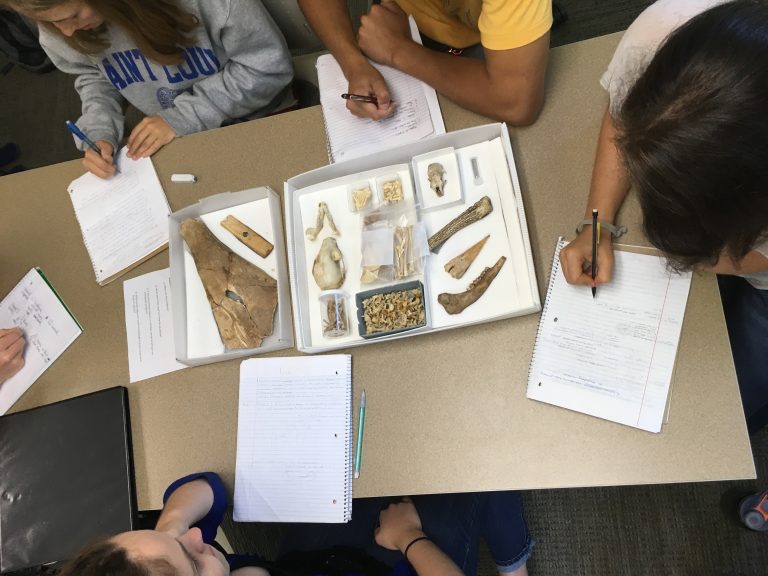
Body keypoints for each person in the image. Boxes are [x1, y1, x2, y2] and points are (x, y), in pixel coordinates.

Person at [558, 0, 768, 432]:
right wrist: (597, 223)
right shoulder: (662, 33)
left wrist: (707, 257)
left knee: (720, 416)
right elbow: (626, 122)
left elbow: (736, 257)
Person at [0, 0, 293, 178]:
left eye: (73, 15)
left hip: (262, 119)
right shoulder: (58, 27)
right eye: (51, 23)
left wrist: (184, 116)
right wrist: (100, 128)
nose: (66, 31)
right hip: (178, 137)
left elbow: (267, 68)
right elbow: (95, 76)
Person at [58, 472, 534, 576]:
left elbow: (208, 487)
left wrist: (171, 528)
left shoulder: (198, 552)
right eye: (192, 558)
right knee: (482, 464)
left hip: (314, 561)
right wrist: (409, 538)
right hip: (399, 563)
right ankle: (514, 565)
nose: (199, 538)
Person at [297, 0, 552, 125]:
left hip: (486, 47)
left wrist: (399, 51)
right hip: (396, 21)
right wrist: (354, 64)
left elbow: (516, 103)